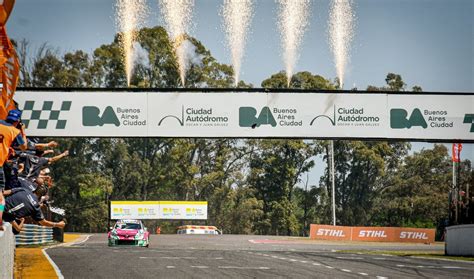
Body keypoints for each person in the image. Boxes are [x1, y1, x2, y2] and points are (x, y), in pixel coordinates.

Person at [0, 109, 27, 231]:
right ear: (17, 121)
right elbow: (24, 146)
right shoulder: (15, 131)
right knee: (0, 198)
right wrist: (23, 131)